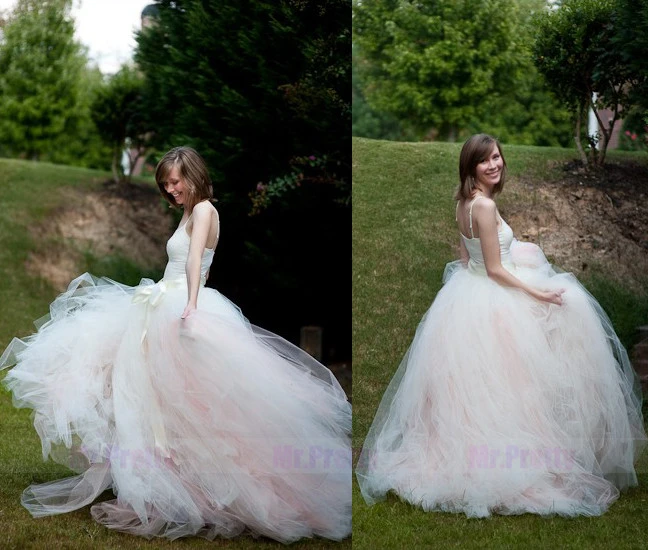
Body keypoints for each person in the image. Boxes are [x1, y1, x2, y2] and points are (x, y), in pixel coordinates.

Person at [0, 146, 351, 542]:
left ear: (195, 175)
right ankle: (158, 476)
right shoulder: (188, 211)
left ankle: (200, 484)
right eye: (165, 184)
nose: (170, 189)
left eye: (175, 181)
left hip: (182, 304)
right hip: (162, 301)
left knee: (188, 402)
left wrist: (191, 307)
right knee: (147, 394)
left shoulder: (203, 211)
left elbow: (195, 260)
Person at [355, 134, 646, 518]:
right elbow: (494, 269)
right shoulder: (485, 206)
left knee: (480, 390)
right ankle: (514, 461)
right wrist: (539, 294)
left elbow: (466, 260)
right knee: (514, 383)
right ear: (471, 167)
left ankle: (473, 453)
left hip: (467, 294)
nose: (494, 165)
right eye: (484, 161)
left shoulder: (463, 203)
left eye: (496, 157)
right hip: (493, 296)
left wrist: (516, 259)